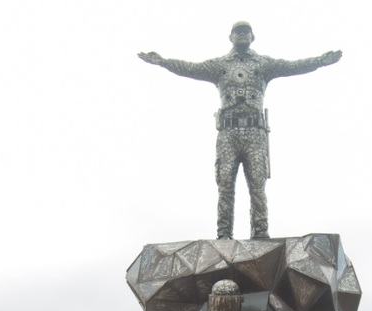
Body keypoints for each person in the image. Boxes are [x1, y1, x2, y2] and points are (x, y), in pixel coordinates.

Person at [139, 21, 342, 240]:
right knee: (225, 184)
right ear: (230, 37)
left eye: (246, 31)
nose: (242, 34)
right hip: (228, 133)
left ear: (253, 37)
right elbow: (190, 68)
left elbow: (293, 66)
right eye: (238, 31)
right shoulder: (219, 66)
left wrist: (320, 61)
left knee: (257, 184)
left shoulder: (263, 64)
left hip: (255, 133)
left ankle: (261, 233)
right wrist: (163, 62)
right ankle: (224, 234)